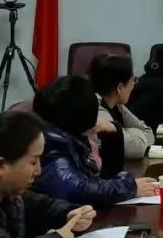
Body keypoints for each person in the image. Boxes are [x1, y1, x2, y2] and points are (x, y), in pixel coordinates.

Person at [34, 75, 155, 207]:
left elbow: (101, 176)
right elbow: (80, 189)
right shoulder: (52, 146)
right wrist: (128, 187)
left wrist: (114, 131)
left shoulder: (73, 137)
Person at [89, 53, 154, 174]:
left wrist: (127, 133)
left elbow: (148, 132)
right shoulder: (97, 111)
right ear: (119, 87)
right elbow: (136, 148)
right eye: (133, 80)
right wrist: (130, 133)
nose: (134, 85)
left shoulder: (117, 106)